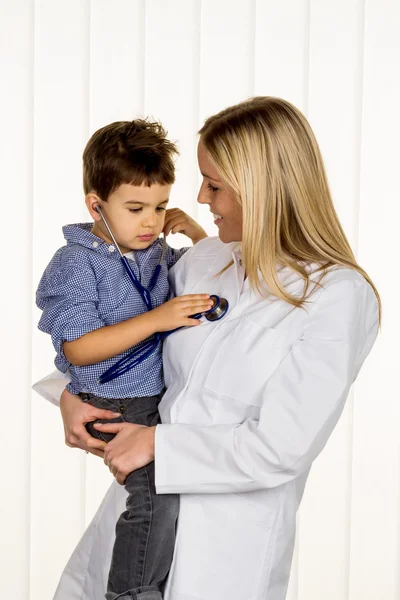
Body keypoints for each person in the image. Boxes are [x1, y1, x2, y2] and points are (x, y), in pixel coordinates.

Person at [34, 97, 381, 600]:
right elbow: (116, 328)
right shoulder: (202, 261)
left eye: (214, 185)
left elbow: (281, 448)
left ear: (262, 189)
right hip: (134, 528)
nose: (199, 198)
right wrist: (71, 394)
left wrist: (157, 443)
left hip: (224, 553)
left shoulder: (336, 296)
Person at [35, 118, 210, 600]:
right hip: (118, 401)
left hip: (150, 395)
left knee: (171, 493)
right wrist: (155, 320)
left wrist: (195, 235)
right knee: (157, 498)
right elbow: (78, 346)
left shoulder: (152, 251)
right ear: (96, 204)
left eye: (160, 207)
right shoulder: (76, 262)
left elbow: (208, 277)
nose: (152, 222)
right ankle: (130, 593)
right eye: (135, 208)